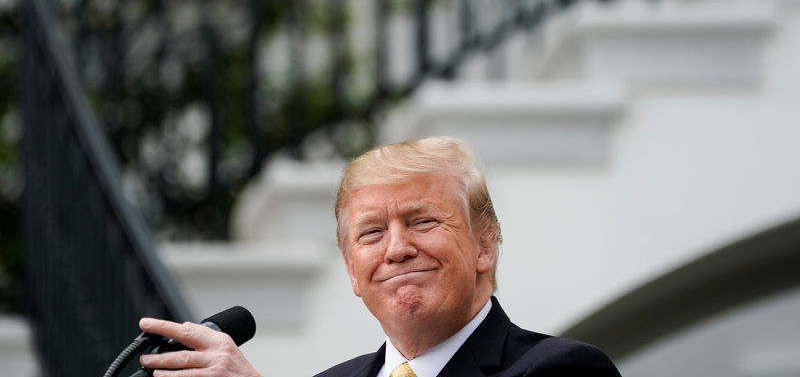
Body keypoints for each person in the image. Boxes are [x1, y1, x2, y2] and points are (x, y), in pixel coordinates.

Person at [138, 136, 621, 376]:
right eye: (371, 233)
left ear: (485, 245)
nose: (396, 249)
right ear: (351, 269)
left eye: (422, 221)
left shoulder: (563, 370)